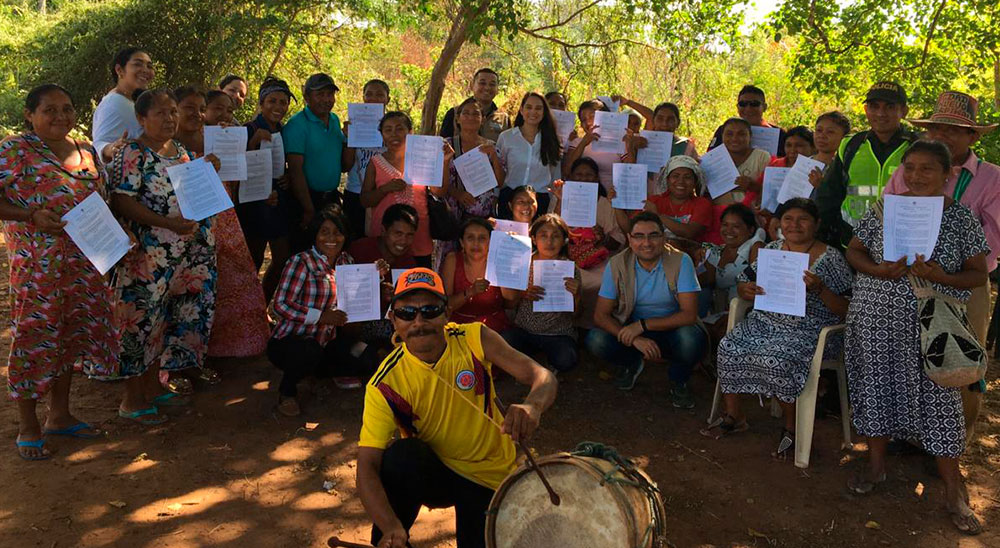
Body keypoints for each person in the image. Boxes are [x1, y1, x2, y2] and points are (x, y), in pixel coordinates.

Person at [356, 267, 557, 548]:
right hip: (435, 474)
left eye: (430, 310)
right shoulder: (385, 383)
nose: (419, 321)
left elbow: (543, 376)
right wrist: (389, 526)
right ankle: (393, 538)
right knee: (402, 458)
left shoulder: (474, 338)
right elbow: (367, 464)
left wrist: (532, 406)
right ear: (392, 319)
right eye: (406, 313)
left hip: (490, 472)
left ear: (446, 312)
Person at [844, 140, 987, 535]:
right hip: (876, 317)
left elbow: (978, 273)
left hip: (932, 325)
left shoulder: (959, 218)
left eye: (927, 168)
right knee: (875, 388)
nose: (917, 175)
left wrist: (945, 277)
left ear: (947, 175)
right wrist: (876, 269)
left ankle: (954, 490)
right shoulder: (883, 208)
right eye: (910, 168)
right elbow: (853, 252)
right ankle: (876, 467)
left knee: (940, 400)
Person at [0, 84, 118, 459]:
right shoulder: (14, 150)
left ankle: (60, 415)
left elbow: (102, 200)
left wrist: (119, 232)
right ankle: (28, 424)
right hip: (38, 267)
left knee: (71, 335)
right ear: (30, 115)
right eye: (49, 110)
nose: (60, 117)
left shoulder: (86, 151)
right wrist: (29, 215)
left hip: (85, 263)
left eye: (67, 109)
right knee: (36, 337)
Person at [883, 91, 1000, 439]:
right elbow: (889, 214)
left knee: (960, 362)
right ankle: (912, 434)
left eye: (954, 130)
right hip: (908, 280)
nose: (942, 136)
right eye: (936, 129)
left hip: (966, 284)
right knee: (909, 357)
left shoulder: (991, 178)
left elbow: (994, 237)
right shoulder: (909, 170)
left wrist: (950, 269)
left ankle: (955, 439)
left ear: (973, 136)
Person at [705, 199, 852, 459]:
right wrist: (745, 290)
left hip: (812, 331)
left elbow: (847, 309)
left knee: (780, 359)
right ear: (779, 224)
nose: (794, 225)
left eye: (802, 219)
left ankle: (791, 429)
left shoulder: (830, 258)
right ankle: (734, 415)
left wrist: (820, 289)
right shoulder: (773, 250)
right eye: (788, 219)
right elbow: (743, 282)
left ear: (816, 224)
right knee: (729, 346)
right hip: (765, 323)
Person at [109, 89, 219, 424]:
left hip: (185, 256)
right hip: (147, 257)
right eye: (160, 113)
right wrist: (166, 223)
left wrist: (206, 170)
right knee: (140, 322)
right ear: (141, 119)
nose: (170, 118)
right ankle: (131, 400)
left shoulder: (182, 151)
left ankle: (156, 388)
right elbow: (121, 201)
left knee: (167, 321)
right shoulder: (132, 152)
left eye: (173, 112)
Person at [172, 86, 269, 366]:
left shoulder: (216, 138)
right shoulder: (168, 144)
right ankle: (188, 358)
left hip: (224, 217)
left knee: (233, 280)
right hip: (186, 225)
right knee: (192, 288)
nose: (198, 114)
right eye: (189, 108)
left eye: (201, 108)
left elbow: (236, 179)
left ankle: (229, 346)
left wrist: (232, 143)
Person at [586, 212, 707, 408]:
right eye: (639, 236)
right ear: (629, 239)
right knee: (596, 339)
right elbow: (600, 315)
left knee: (690, 340)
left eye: (653, 235)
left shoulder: (681, 261)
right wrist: (634, 338)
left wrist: (643, 326)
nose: (647, 243)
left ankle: (679, 380)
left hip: (672, 327)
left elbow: (689, 314)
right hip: (632, 327)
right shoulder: (617, 264)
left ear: (663, 237)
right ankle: (632, 362)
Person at [268, 205, 369, 416]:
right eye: (324, 232)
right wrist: (321, 316)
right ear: (315, 235)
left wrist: (375, 282)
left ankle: (317, 372)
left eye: (337, 232)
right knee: (308, 351)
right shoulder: (301, 262)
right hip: (290, 341)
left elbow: (353, 301)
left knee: (363, 353)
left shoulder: (346, 262)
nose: (331, 238)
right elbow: (280, 305)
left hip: (326, 342)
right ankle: (287, 392)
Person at [816, 81, 919, 248]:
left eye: (890, 107)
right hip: (850, 244)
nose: (880, 113)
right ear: (865, 110)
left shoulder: (917, 147)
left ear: (904, 111)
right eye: (874, 106)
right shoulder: (850, 145)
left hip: (900, 245)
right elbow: (829, 195)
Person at [361, 111, 451, 266]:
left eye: (399, 129)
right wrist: (385, 189)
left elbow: (439, 192)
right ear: (381, 135)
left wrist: (445, 162)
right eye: (388, 130)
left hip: (419, 234)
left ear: (410, 132)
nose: (394, 134)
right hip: (385, 237)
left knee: (417, 283)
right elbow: (364, 200)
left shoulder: (423, 158)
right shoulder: (375, 162)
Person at [547, 158, 625, 327]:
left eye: (589, 175)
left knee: (601, 282)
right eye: (579, 175)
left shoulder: (605, 204)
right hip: (566, 258)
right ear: (572, 178)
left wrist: (601, 238)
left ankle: (592, 326)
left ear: (596, 179)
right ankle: (561, 325)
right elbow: (549, 228)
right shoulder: (560, 199)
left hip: (598, 262)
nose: (583, 179)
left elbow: (619, 239)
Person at [500, 214, 582, 372]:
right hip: (525, 330)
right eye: (543, 236)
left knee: (567, 359)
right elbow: (509, 304)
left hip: (558, 333)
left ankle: (537, 363)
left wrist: (576, 296)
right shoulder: (523, 264)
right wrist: (523, 294)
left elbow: (576, 316)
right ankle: (533, 363)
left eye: (555, 236)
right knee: (505, 342)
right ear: (533, 239)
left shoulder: (571, 269)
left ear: (564, 239)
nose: (549, 242)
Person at [242, 77, 297, 301]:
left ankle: (262, 305)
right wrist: (253, 142)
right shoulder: (249, 128)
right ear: (261, 103)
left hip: (279, 200)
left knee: (282, 258)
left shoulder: (284, 130)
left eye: (283, 102)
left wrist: (287, 178)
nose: (278, 107)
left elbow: (283, 163)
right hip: (254, 202)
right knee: (253, 260)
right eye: (272, 101)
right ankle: (246, 310)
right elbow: (237, 168)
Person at [346, 204, 420, 361]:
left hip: (391, 327)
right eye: (398, 233)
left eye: (409, 235)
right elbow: (344, 296)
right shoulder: (359, 250)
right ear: (384, 231)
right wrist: (374, 290)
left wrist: (397, 298)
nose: (403, 241)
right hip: (356, 328)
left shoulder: (409, 262)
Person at [283, 73, 346, 252]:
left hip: (331, 198)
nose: (326, 99)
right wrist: (308, 208)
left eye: (329, 94)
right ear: (307, 97)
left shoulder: (334, 120)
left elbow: (343, 163)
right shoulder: (297, 125)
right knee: (302, 251)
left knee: (330, 252)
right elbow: (295, 170)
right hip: (306, 200)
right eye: (320, 94)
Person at [702, 117, 771, 244]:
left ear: (750, 136)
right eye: (729, 134)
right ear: (722, 136)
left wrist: (752, 186)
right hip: (719, 220)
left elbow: (770, 192)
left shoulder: (762, 157)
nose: (735, 138)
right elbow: (704, 193)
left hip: (751, 219)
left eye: (741, 134)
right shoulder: (711, 160)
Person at [697, 203, 764, 334]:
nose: (729, 230)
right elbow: (703, 280)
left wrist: (733, 315)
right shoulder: (716, 252)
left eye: (736, 226)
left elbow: (757, 288)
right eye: (725, 225)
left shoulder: (754, 247)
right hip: (721, 313)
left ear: (750, 230)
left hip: (748, 312)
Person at [440, 218, 512, 333]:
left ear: (491, 242)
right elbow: (446, 304)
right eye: (470, 238)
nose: (476, 243)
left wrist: (503, 265)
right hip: (459, 327)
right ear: (462, 243)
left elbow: (511, 300)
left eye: (482, 238)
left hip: (494, 328)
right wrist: (470, 292)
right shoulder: (452, 259)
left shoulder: (498, 260)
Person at [496, 92, 561, 217]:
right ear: (521, 110)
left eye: (538, 108)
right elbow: (499, 170)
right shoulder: (506, 137)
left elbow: (554, 175)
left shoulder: (552, 140)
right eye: (529, 107)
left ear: (544, 112)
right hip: (510, 197)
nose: (533, 112)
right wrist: (495, 197)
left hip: (539, 200)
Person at [445, 97, 505, 223]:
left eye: (476, 114)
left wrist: (493, 156)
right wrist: (457, 193)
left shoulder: (491, 147)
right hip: (453, 214)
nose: (470, 117)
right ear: (458, 119)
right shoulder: (447, 146)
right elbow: (438, 182)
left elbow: (499, 182)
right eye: (466, 113)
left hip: (483, 217)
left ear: (483, 119)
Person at [343, 79, 391, 234]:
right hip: (355, 192)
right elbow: (346, 166)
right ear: (363, 97)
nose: (374, 99)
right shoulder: (354, 124)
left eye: (379, 95)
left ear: (387, 99)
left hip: (385, 194)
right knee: (356, 242)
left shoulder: (393, 127)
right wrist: (350, 139)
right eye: (369, 94)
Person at [92, 47, 153, 162]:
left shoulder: (137, 101)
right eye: (137, 64)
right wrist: (110, 148)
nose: (145, 70)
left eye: (149, 66)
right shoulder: (114, 103)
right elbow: (98, 144)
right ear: (119, 70)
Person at [562, 99, 628, 188]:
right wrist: (583, 144)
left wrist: (630, 145)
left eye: (592, 116)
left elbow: (629, 172)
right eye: (583, 120)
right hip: (584, 195)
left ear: (605, 116)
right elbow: (567, 171)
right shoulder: (576, 143)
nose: (588, 122)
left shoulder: (619, 143)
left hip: (612, 196)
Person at [648, 155, 714, 244]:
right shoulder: (654, 201)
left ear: (695, 182)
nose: (681, 181)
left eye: (687, 177)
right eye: (675, 176)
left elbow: (689, 233)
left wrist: (658, 215)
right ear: (667, 180)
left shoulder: (702, 204)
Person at [707, 85, 787, 157]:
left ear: (764, 107)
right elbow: (711, 157)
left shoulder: (780, 135)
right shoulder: (725, 130)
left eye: (754, 104)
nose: (748, 109)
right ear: (737, 107)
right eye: (743, 104)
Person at [612, 98, 698, 159]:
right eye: (660, 119)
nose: (665, 124)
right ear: (654, 121)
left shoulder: (686, 147)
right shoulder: (641, 141)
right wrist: (632, 148)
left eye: (670, 119)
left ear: (678, 123)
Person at [439, 68, 511, 141]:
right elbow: (443, 146)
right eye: (482, 83)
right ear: (472, 85)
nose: (487, 88)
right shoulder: (455, 113)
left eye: (492, 84)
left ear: (497, 89)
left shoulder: (504, 119)